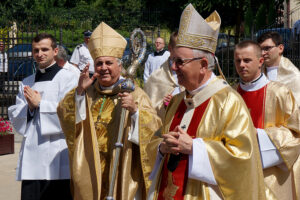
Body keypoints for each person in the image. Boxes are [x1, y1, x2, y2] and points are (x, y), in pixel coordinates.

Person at [147, 4, 266, 200]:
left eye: (179, 62)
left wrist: (195, 148)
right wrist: (161, 148)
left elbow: (243, 160)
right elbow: (155, 140)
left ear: (203, 65)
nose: (174, 68)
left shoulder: (228, 102)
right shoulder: (178, 100)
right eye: (172, 61)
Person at [57, 22, 162, 200]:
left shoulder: (134, 93)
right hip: (90, 165)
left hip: (122, 166)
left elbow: (155, 129)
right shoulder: (86, 90)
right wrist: (80, 93)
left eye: (108, 63)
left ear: (119, 66)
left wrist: (136, 111)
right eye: (99, 63)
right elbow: (65, 116)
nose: (103, 68)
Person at [8, 33, 78, 200]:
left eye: (44, 49)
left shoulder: (68, 78)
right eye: (36, 50)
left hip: (57, 151)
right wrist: (30, 109)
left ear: (55, 51)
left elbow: (72, 113)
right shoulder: (26, 81)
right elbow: (16, 114)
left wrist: (41, 104)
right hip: (32, 153)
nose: (40, 54)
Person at [234, 40, 300, 200]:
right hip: (236, 175)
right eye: (238, 61)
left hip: (271, 179)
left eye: (247, 60)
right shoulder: (230, 95)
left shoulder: (279, 93)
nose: (241, 65)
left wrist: (259, 137)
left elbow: (296, 135)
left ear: (260, 62)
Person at [144, 31, 183, 121]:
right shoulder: (154, 78)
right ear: (170, 48)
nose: (175, 67)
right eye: (156, 43)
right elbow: (150, 112)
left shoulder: (193, 76)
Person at [257, 31, 300, 106]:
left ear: (280, 48)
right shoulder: (257, 73)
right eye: (260, 49)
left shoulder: (293, 75)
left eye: (267, 48)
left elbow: (295, 108)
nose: (263, 53)